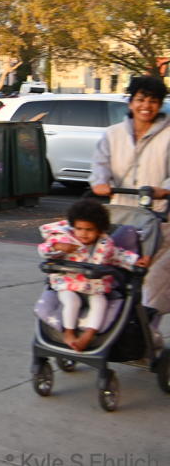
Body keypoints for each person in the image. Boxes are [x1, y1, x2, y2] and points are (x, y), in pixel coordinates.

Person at [89, 74, 170, 323]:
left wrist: (164, 189)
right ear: (131, 102)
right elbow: (100, 165)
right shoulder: (113, 134)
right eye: (141, 99)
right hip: (122, 219)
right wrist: (100, 182)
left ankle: (148, 335)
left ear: (160, 104)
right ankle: (116, 332)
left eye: (153, 101)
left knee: (153, 285)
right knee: (117, 280)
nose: (146, 106)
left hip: (160, 222)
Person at [38, 199, 149, 351]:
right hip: (68, 284)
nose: (83, 233)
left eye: (89, 229)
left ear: (99, 229)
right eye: (79, 228)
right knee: (72, 302)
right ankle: (69, 332)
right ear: (73, 226)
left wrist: (136, 261)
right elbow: (43, 249)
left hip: (94, 287)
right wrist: (56, 247)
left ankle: (89, 335)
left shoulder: (106, 245)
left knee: (100, 303)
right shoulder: (64, 240)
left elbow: (118, 255)